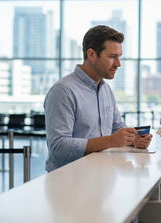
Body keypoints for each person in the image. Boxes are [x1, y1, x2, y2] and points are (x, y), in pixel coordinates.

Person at [44, 25, 152, 172]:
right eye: (112, 57)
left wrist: (133, 139)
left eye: (119, 57)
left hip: (102, 174)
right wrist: (110, 141)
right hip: (69, 180)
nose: (118, 64)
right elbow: (59, 147)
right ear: (92, 54)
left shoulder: (105, 89)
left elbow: (116, 127)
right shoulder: (63, 91)